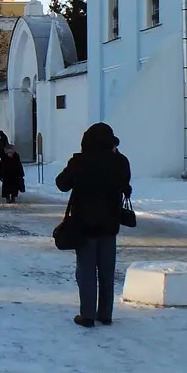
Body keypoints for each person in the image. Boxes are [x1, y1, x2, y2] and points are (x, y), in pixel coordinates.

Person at [55, 122, 132, 328]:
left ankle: (87, 315)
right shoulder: (120, 162)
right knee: (107, 271)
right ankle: (105, 313)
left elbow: (62, 183)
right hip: (110, 224)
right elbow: (126, 185)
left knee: (86, 271)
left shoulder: (79, 162)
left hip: (85, 225)